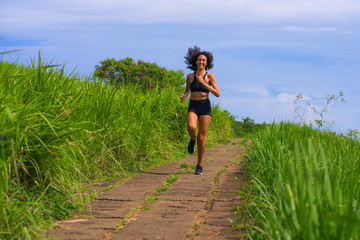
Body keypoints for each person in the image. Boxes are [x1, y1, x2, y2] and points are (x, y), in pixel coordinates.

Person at [180, 46, 220, 175]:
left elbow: (217, 93)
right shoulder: (190, 76)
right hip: (193, 105)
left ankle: (199, 165)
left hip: (205, 107)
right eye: (199, 60)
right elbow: (187, 91)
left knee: (202, 138)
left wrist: (205, 84)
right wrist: (184, 96)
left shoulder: (210, 76)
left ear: (207, 62)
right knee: (191, 127)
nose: (201, 62)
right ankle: (192, 139)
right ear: (195, 61)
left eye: (204, 60)